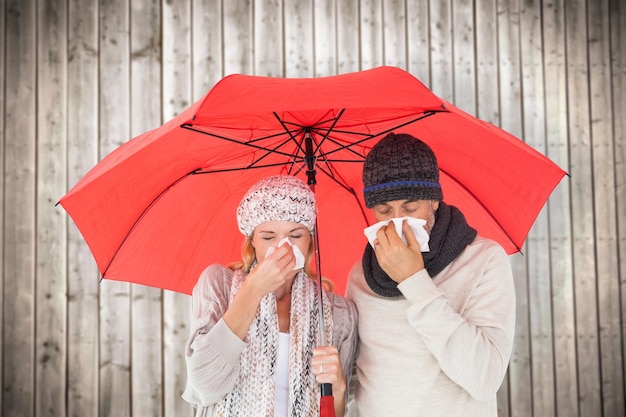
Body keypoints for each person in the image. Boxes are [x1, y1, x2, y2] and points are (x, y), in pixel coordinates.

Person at [345, 133, 516, 417]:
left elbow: (485, 378)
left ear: (434, 201)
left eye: (410, 207)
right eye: (384, 210)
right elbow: (352, 381)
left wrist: (414, 281)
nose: (397, 220)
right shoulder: (361, 276)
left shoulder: (483, 260)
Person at [183, 175, 358, 417]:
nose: (283, 247)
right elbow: (204, 387)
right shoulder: (219, 285)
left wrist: (337, 391)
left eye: (296, 235)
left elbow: (337, 413)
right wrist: (254, 289)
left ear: (310, 241)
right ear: (252, 241)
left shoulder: (338, 313)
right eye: (268, 237)